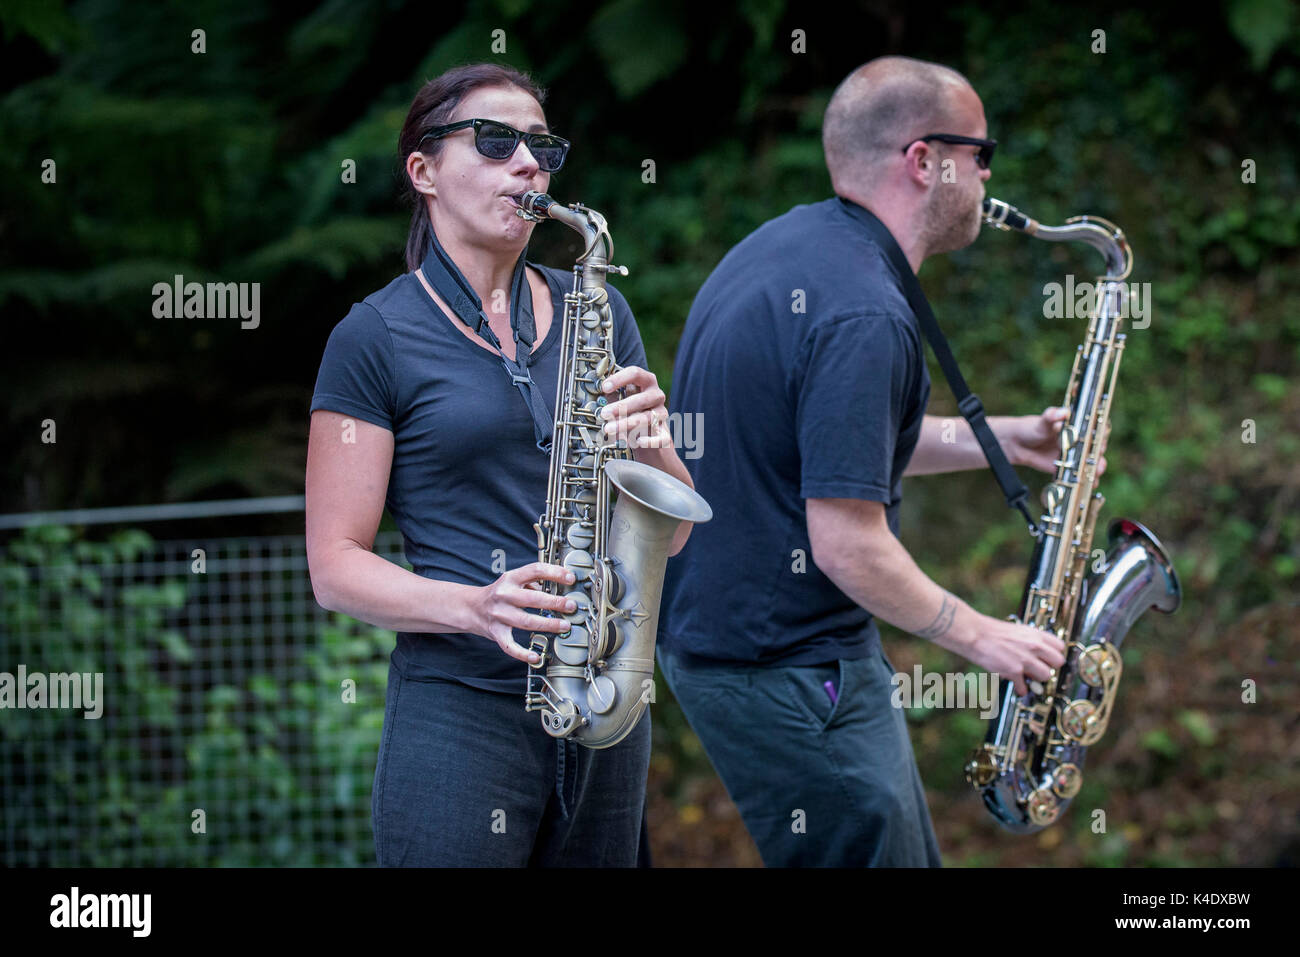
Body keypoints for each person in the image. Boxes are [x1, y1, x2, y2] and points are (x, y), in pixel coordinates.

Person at [656, 55, 1072, 867]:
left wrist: (1004, 440)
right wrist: (983, 636)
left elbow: (825, 447)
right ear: (926, 160)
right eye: (981, 155)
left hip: (745, 649)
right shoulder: (863, 311)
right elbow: (845, 539)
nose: (989, 177)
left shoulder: (794, 251)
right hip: (787, 666)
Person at [305, 63, 697, 866]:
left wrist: (652, 433)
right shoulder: (372, 338)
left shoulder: (601, 310)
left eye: (543, 147)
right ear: (424, 171)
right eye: (495, 141)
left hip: (604, 703)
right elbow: (334, 568)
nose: (528, 163)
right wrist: (476, 606)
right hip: (459, 715)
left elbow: (676, 531)